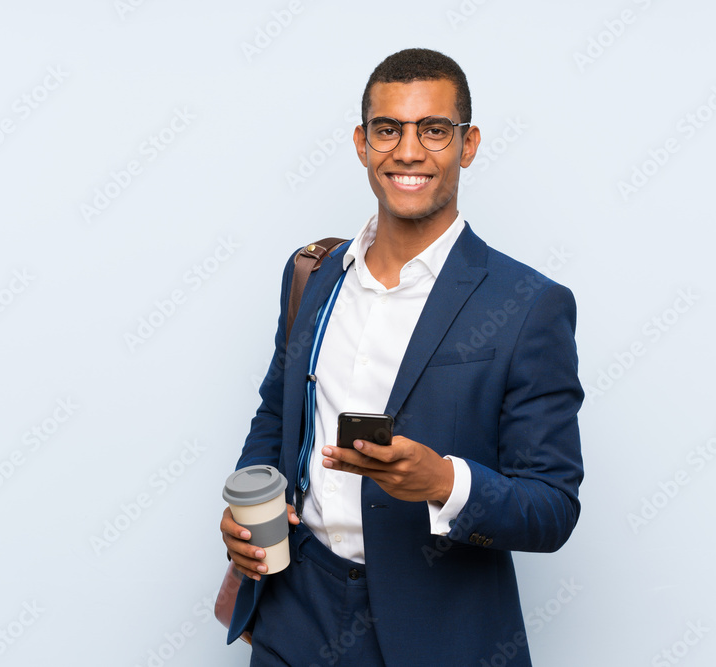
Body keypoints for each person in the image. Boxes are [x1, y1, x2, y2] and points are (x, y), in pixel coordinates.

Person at [220, 47, 584, 666]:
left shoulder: (528, 305)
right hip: (295, 611)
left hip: (437, 629)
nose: (408, 151)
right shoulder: (313, 273)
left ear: (467, 145)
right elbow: (277, 416)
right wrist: (251, 508)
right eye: (388, 129)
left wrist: (444, 482)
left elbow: (552, 507)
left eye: (433, 131)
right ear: (363, 143)